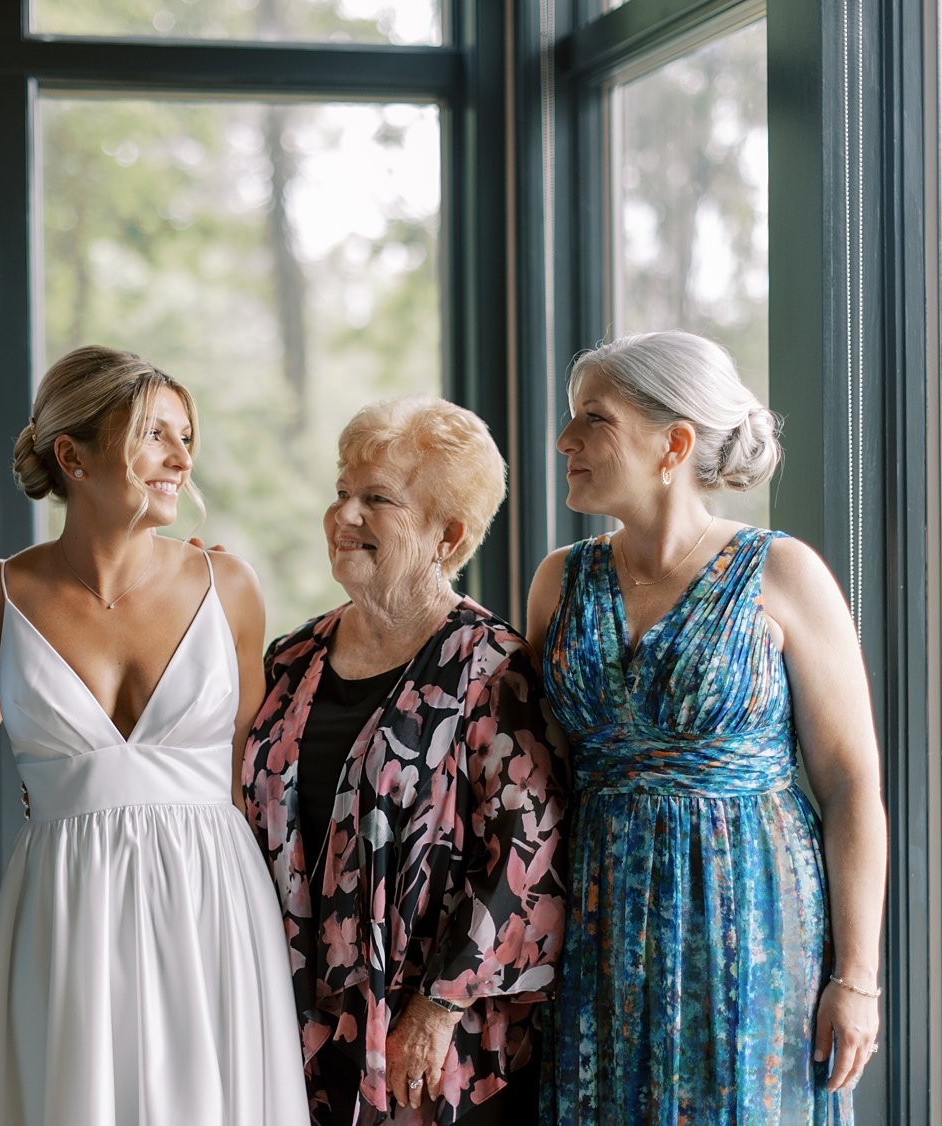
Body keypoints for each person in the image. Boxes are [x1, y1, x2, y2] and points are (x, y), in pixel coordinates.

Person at [527, 330, 887, 1122]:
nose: (565, 441)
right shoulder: (560, 581)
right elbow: (537, 769)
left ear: (674, 443)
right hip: (598, 918)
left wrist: (856, 976)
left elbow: (851, 783)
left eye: (592, 418)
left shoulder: (781, 573)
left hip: (752, 919)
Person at [0, 345, 309, 1126]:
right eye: (155, 434)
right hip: (64, 901)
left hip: (211, 899)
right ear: (72, 457)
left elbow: (253, 774)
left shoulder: (230, 586)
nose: (181, 458)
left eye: (187, 437)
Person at [243, 395, 569, 1126]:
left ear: (447, 535)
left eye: (377, 500)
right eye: (341, 493)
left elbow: (533, 851)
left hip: (427, 1038)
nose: (344, 515)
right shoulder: (293, 658)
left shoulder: (490, 665)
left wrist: (439, 1004)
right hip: (289, 1012)